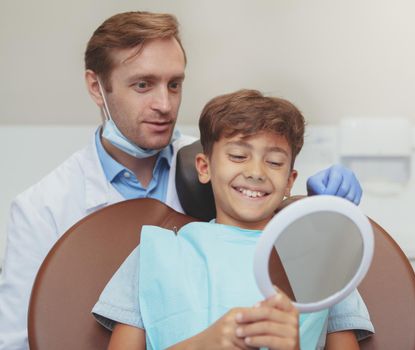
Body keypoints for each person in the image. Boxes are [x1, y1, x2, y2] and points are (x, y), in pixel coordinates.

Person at [0, 12, 363, 350]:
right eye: (143, 85)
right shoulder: (43, 209)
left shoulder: (212, 158)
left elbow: (258, 201)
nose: (165, 104)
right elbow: (17, 341)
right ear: (97, 87)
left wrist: (314, 210)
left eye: (174, 85)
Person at [92, 89, 374, 350]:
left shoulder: (323, 262)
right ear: (204, 167)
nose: (256, 172)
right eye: (239, 155)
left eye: (274, 162)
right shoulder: (155, 254)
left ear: (289, 181)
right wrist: (204, 345)